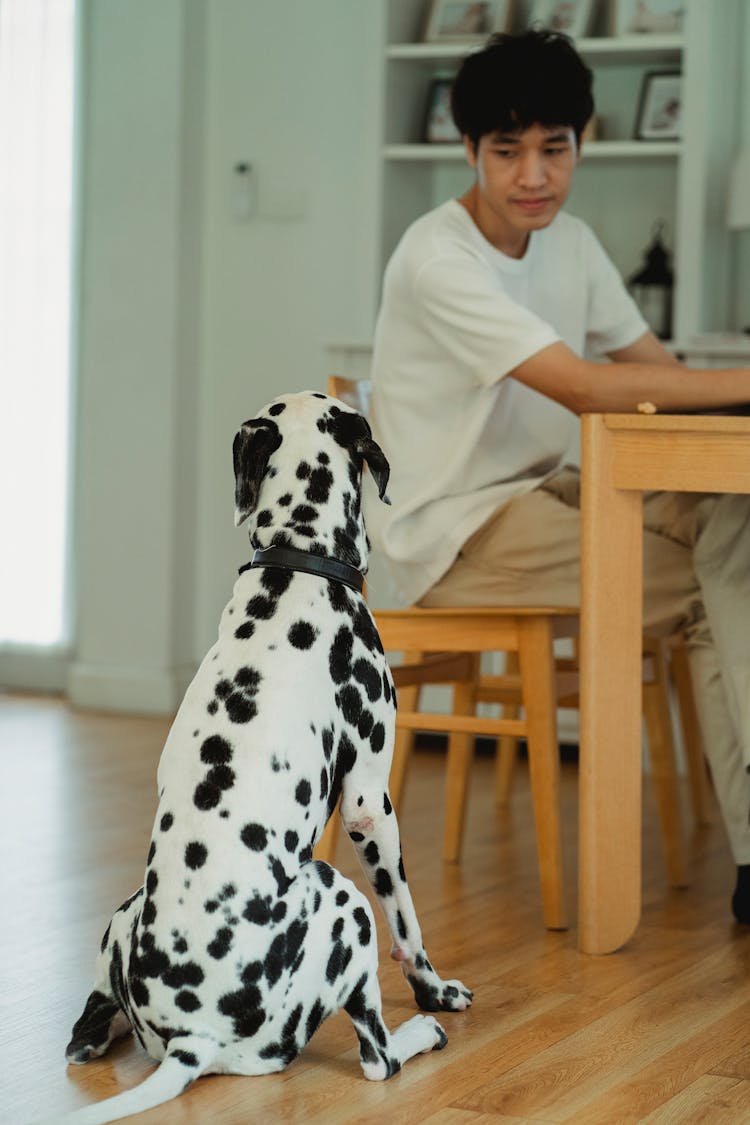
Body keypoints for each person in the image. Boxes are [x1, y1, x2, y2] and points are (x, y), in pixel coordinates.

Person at [366, 28, 750, 926]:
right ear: (469, 151)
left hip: (541, 495)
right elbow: (586, 388)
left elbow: (652, 368)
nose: (533, 175)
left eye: (554, 149)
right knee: (714, 583)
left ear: (581, 145)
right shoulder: (439, 256)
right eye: (507, 152)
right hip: (451, 537)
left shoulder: (570, 242)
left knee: (731, 517)